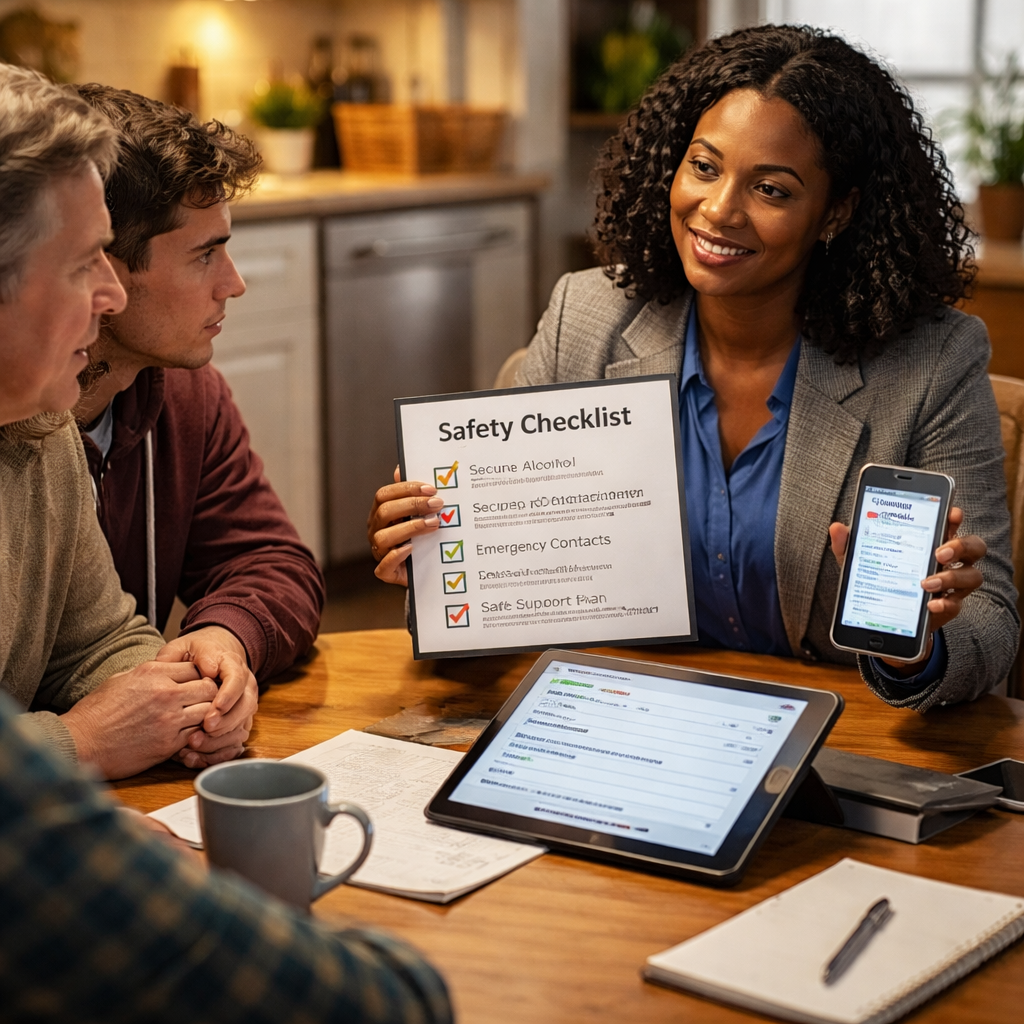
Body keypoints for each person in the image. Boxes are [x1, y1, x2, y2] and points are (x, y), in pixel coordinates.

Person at [367, 25, 1019, 713]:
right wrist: (443, 571)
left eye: (770, 189)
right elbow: (510, 602)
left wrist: (916, 645)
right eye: (704, 167)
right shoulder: (586, 315)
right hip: (621, 718)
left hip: (834, 743)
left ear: (838, 212)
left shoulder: (930, 362)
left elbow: (991, 622)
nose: (718, 210)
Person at [0, 65, 452, 1021]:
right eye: (86, 268)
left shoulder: (37, 434)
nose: (109, 301)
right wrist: (83, 740)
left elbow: (98, 637)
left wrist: (183, 683)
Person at [68, 84, 325, 771]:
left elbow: (273, 563)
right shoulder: (27, 428)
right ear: (103, 268)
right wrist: (81, 742)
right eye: (205, 254)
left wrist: (224, 639)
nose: (234, 283)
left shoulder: (186, 393)